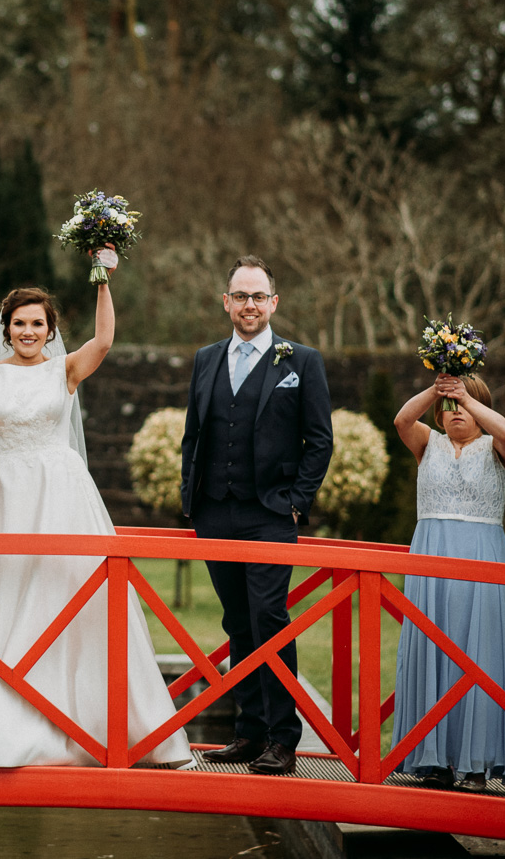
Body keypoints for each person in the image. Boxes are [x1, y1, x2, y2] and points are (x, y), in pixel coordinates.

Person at [0, 263, 193, 768]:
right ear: (5, 328)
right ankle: (0, 711)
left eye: (37, 324)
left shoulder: (65, 369)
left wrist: (102, 277)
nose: (28, 332)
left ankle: (83, 720)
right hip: (5, 497)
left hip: (61, 497)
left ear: (50, 330)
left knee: (69, 600)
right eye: (19, 323)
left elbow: (106, 339)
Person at [179, 255, 333, 777]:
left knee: (269, 618)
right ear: (226, 302)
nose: (249, 305)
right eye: (240, 296)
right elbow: (193, 434)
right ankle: (248, 731)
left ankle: (284, 739)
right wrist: (189, 499)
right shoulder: (205, 358)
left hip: (270, 514)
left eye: (258, 296)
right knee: (237, 622)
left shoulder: (302, 361)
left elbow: (320, 441)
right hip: (215, 512)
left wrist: (296, 501)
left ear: (273, 302)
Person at [391, 373, 505, 792]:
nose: (455, 412)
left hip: (481, 554)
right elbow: (402, 420)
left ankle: (476, 763)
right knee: (430, 647)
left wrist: (466, 398)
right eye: (448, 406)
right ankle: (432, 758)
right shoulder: (427, 443)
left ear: (480, 406)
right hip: (431, 553)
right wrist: (437, 390)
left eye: (464, 404)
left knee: (481, 651)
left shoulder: (496, 447)